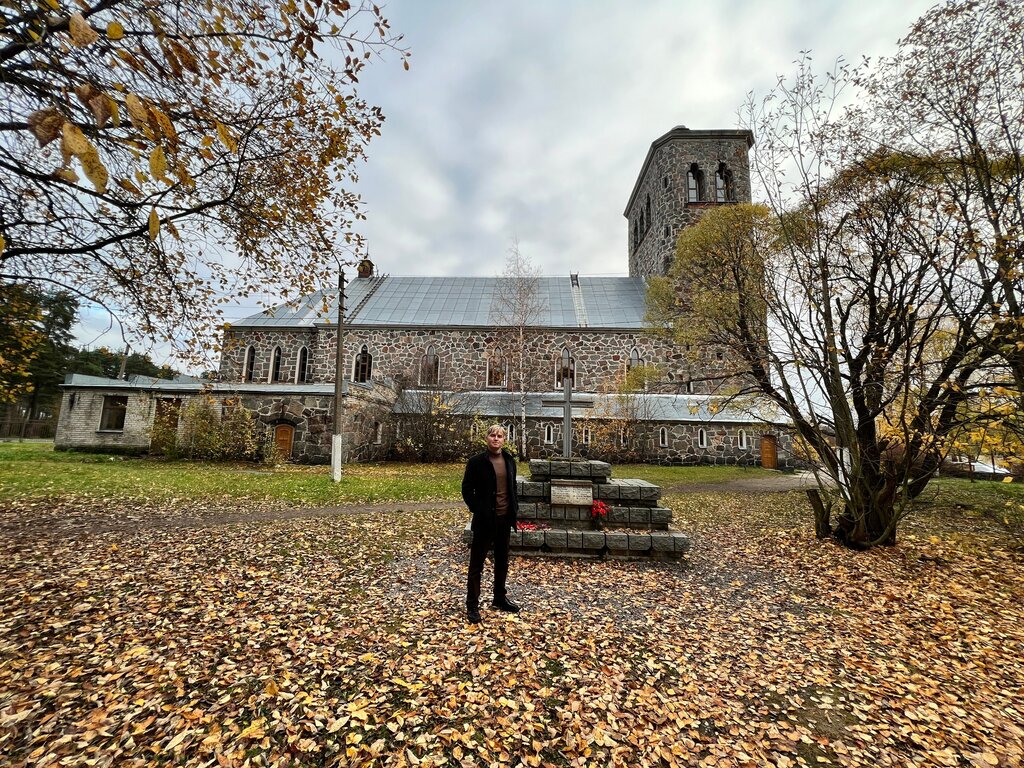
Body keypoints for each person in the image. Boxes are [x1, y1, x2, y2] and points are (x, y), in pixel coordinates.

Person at [462, 424, 521, 624]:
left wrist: (514, 508)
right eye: (492, 435)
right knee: (476, 564)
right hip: (485, 521)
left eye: (500, 436)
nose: (496, 439)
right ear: (486, 438)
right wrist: (479, 509)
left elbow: (512, 486)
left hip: (505, 520)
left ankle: (499, 598)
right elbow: (467, 489)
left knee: (502, 561)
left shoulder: (509, 461)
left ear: (504, 440)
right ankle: (472, 605)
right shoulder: (476, 462)